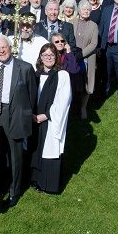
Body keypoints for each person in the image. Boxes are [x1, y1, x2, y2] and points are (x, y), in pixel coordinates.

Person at [0, 35, 37, 207]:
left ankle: (15, 191)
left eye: (4, 47)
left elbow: (32, 97)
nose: (1, 51)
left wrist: (25, 114)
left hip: (15, 114)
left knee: (16, 155)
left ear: (10, 48)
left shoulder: (25, 68)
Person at [30, 44, 72, 194]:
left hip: (51, 120)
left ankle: (48, 184)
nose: (48, 57)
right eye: (45, 55)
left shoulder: (62, 76)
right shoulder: (36, 74)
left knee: (49, 149)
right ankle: (35, 180)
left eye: (51, 55)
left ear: (56, 57)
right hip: (34, 119)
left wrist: (46, 115)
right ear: (40, 57)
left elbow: (63, 101)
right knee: (35, 148)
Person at [71, 0, 99, 119]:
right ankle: (72, 107)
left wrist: (81, 54)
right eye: (84, 9)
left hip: (87, 58)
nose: (86, 11)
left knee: (86, 84)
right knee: (72, 83)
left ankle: (83, 108)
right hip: (72, 57)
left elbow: (93, 44)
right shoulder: (73, 22)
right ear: (79, 11)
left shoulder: (93, 25)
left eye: (88, 9)